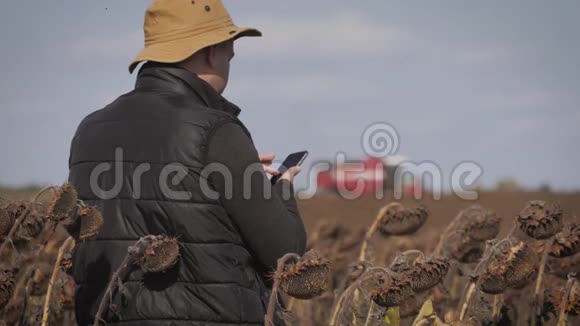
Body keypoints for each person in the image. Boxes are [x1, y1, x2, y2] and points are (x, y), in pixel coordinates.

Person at [68, 1, 307, 325]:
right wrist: (282, 186)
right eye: (229, 55)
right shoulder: (217, 131)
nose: (229, 66)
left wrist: (237, 170)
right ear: (211, 51)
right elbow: (285, 254)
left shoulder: (89, 130)